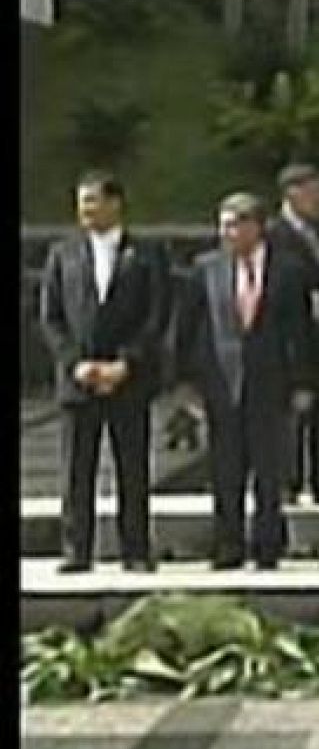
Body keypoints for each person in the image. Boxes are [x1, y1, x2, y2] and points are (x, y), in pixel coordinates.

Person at [174, 193, 317, 570]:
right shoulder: (205, 269)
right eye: (223, 225)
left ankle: (269, 544)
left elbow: (301, 331)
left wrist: (304, 382)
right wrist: (185, 383)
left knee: (270, 471)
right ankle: (228, 545)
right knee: (225, 470)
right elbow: (187, 329)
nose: (227, 233)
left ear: (256, 226)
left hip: (271, 384)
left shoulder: (287, 270)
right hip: (222, 384)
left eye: (235, 224)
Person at [38, 172, 171, 573]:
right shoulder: (63, 254)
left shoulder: (147, 255)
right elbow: (51, 317)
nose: (85, 210)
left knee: (132, 467)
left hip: (128, 379)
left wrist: (125, 363)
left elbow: (158, 314)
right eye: (81, 202)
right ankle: (77, 550)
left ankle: (135, 549)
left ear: (115, 204)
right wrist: (75, 362)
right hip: (79, 380)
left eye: (93, 201)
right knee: (78, 469)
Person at [266, 163, 319, 505]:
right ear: (292, 193)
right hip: (288, 336)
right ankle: (287, 482)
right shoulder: (273, 235)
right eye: (312, 192)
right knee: (288, 416)